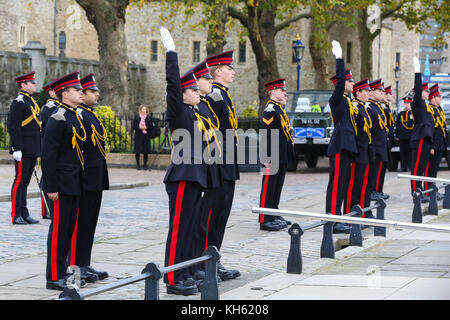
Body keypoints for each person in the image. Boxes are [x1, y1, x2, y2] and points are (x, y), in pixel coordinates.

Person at [160, 27, 215, 295]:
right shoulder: (179, 112)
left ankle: (183, 271)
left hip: (195, 176)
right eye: (192, 89)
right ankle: (172, 278)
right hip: (182, 176)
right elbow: (172, 84)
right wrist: (172, 53)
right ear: (183, 93)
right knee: (179, 228)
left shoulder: (194, 114)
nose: (196, 93)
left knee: (190, 229)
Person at [41, 72, 86, 290]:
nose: (81, 92)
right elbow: (49, 155)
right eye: (77, 90)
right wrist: (51, 187)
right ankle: (53, 276)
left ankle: (62, 269)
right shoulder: (58, 117)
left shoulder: (73, 115)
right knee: (59, 231)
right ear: (65, 93)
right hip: (60, 184)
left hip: (73, 183)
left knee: (67, 230)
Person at [69, 73, 110, 284]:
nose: (97, 94)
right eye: (93, 91)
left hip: (94, 178)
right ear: (82, 94)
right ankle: (76, 266)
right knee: (80, 225)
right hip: (85, 179)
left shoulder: (89, 114)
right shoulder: (79, 115)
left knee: (89, 224)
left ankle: (84, 262)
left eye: (97, 91)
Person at [204, 50, 241, 280]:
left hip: (227, 162)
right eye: (229, 69)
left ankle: (215, 259)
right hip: (218, 162)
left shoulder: (223, 94)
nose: (233, 72)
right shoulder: (215, 95)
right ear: (218, 71)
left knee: (222, 215)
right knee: (214, 215)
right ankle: (208, 260)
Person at [189, 60, 223, 282]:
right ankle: (198, 262)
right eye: (206, 78)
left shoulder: (205, 106)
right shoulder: (196, 107)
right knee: (198, 221)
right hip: (200, 169)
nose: (211, 81)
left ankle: (205, 261)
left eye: (211, 78)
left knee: (205, 221)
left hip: (211, 168)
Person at [325, 40, 357, 234]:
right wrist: (339, 58)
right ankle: (333, 218)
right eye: (349, 80)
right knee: (336, 183)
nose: (352, 83)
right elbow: (339, 86)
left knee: (343, 183)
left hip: (347, 145)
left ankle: (339, 217)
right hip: (339, 144)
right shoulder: (336, 98)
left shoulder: (347, 100)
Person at [258, 78, 295, 231]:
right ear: (273, 92)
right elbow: (265, 134)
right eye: (282, 90)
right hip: (272, 155)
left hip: (280, 155)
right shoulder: (270, 110)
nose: (285, 93)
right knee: (269, 186)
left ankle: (273, 212)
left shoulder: (279, 109)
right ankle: (264, 218)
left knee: (277, 186)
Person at [7, 71, 41, 225]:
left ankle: (24, 212)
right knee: (20, 180)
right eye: (31, 82)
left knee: (26, 181)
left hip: (31, 148)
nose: (34, 84)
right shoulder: (19, 101)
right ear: (23, 85)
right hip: (23, 148)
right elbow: (13, 126)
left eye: (34, 82)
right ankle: (16, 214)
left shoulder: (30, 101)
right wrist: (16, 148)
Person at [343, 79, 374, 219]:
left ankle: (363, 211)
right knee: (353, 186)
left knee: (364, 184)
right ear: (358, 92)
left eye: (369, 91)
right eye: (366, 91)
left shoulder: (362, 107)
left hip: (365, 151)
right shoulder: (355, 108)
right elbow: (354, 132)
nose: (368, 93)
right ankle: (351, 213)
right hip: (357, 151)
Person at [410, 56, 435, 195]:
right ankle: (416, 193)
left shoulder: (424, 106)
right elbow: (418, 89)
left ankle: (423, 192)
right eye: (426, 91)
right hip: (419, 138)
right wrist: (417, 72)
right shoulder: (417, 102)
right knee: (417, 167)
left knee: (423, 167)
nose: (428, 93)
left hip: (425, 138)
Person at [39, 79, 61, 220]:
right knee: (46, 178)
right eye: (55, 90)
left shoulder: (58, 106)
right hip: (48, 146)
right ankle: (45, 209)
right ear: (51, 92)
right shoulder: (49, 107)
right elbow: (45, 129)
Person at [366, 79, 389, 202]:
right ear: (372, 92)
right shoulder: (370, 107)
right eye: (379, 91)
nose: (382, 93)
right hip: (374, 144)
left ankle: (376, 190)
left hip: (380, 144)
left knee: (378, 170)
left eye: (382, 91)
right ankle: (372, 191)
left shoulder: (377, 107)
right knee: (372, 171)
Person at [424, 83, 447, 199]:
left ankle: (433, 190)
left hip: (439, 144)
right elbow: (430, 129)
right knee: (430, 169)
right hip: (433, 145)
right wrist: (431, 145)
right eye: (439, 97)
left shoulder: (438, 109)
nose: (440, 99)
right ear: (432, 97)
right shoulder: (429, 110)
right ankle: (428, 192)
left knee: (434, 170)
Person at [395, 93, 414, 172]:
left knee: (410, 153)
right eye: (405, 103)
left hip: (411, 136)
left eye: (408, 103)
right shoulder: (400, 114)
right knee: (402, 152)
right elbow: (398, 125)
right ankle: (403, 166)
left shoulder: (413, 113)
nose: (406, 105)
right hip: (402, 136)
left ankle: (410, 166)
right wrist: (397, 135)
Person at [132, 104, 155, 170]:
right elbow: (134, 126)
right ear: (140, 110)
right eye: (143, 109)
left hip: (146, 135)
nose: (144, 110)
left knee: (146, 151)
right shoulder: (137, 117)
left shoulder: (149, 118)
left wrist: (146, 127)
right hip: (138, 135)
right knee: (137, 151)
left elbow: (151, 127)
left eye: (145, 109)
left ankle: (145, 165)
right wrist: (139, 127)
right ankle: (138, 165)